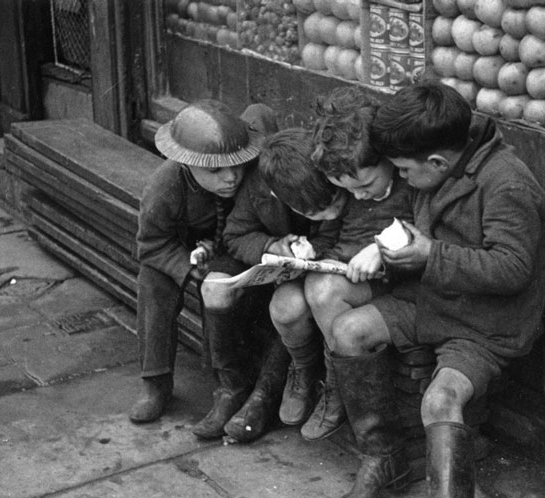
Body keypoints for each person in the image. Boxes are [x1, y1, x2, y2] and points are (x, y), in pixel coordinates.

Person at [328, 82, 545, 498]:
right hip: (433, 300)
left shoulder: (507, 183)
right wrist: (388, 246)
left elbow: (513, 268)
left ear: (434, 160)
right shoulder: (448, 157)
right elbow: (420, 222)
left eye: (405, 171)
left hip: (485, 325)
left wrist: (430, 254)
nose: (402, 178)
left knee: (440, 401)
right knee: (347, 331)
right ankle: (382, 458)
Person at [130, 99, 283, 442]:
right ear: (187, 164)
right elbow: (151, 246)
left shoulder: (247, 167)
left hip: (233, 248)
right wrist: (187, 269)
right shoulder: (164, 188)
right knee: (154, 285)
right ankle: (155, 382)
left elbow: (261, 115)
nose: (230, 178)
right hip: (181, 253)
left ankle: (227, 384)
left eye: (236, 166)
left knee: (220, 288)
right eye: (215, 171)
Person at [298, 86, 415, 442]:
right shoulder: (350, 178)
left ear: (388, 159)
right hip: (359, 274)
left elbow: (432, 226)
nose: (359, 196)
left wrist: (383, 246)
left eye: (366, 185)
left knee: (325, 294)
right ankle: (341, 390)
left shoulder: (411, 176)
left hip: (409, 282)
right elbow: (333, 230)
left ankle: (347, 395)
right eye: (346, 189)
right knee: (317, 289)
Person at [217, 127, 342, 442]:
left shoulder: (333, 172)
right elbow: (235, 236)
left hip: (339, 269)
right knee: (285, 308)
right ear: (280, 196)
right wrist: (272, 245)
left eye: (334, 200)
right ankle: (302, 370)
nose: (332, 212)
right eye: (316, 211)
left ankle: (334, 383)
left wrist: (322, 249)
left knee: (319, 298)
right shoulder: (260, 186)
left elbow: (346, 226)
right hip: (297, 271)